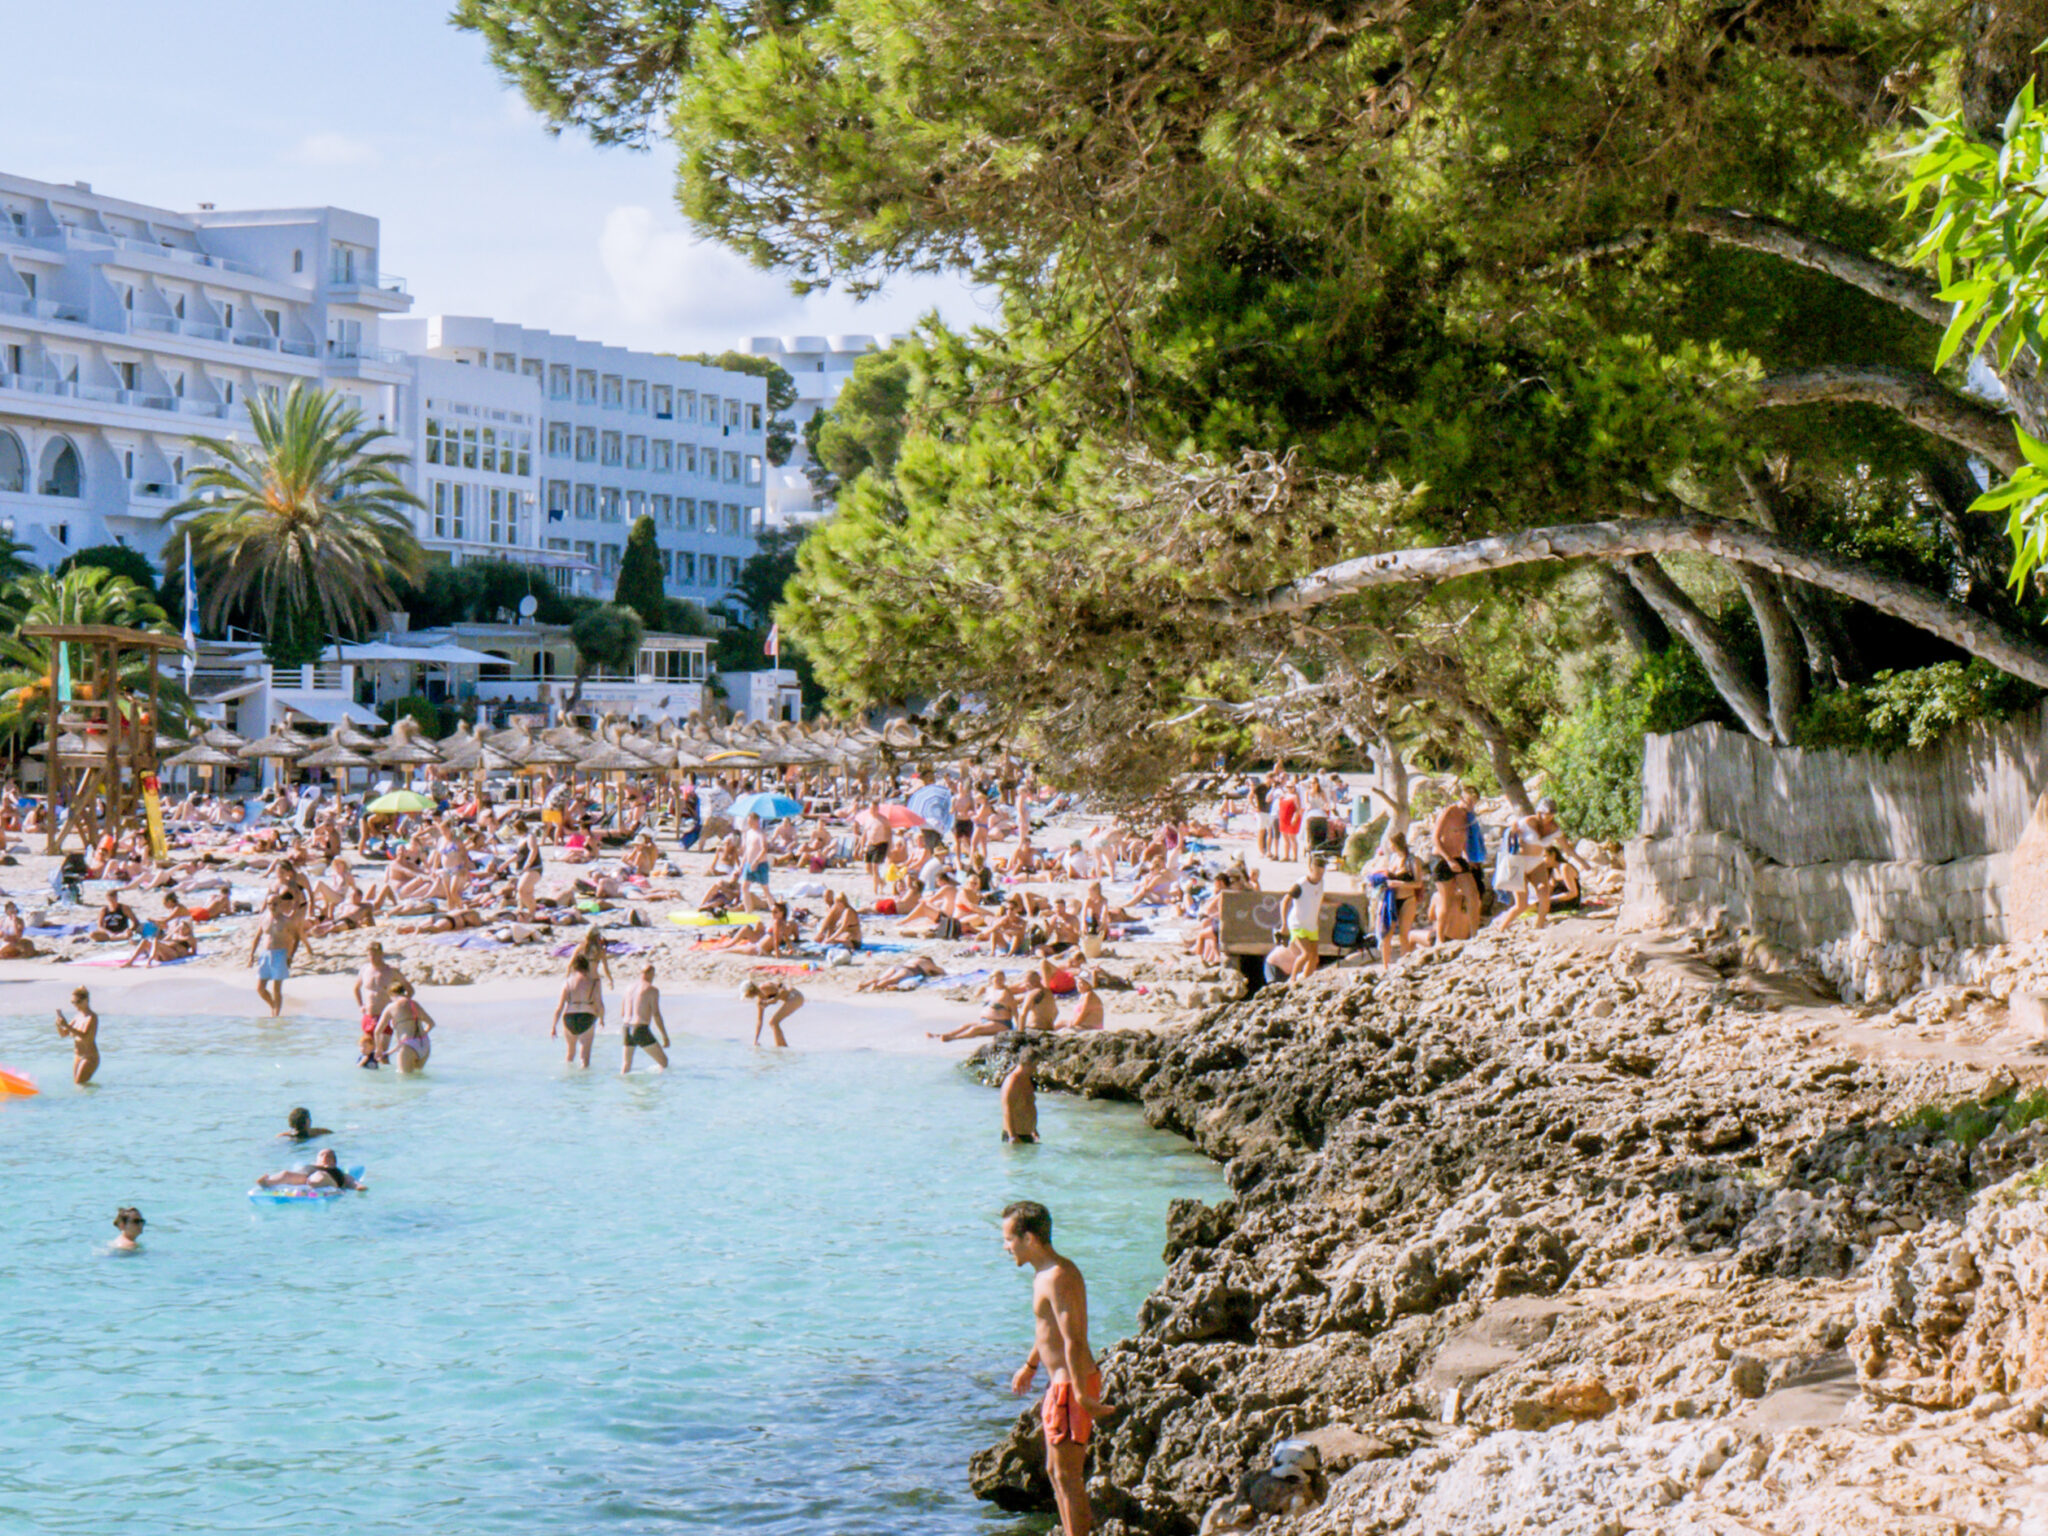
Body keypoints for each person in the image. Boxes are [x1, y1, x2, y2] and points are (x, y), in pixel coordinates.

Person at [1003, 1201, 1111, 1536]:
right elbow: (1046, 1327)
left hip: (1070, 1387)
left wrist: (1082, 1394)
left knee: (1068, 1477)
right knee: (1054, 1471)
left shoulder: (1060, 1276)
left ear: (1030, 1238)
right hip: (1060, 1387)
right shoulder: (1044, 1274)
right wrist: (1030, 1365)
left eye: (1009, 1238)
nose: (1006, 1247)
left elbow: (1074, 1339)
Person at [1430, 785, 1483, 942]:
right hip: (1441, 859)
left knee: (1473, 895)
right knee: (1446, 901)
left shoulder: (1468, 817)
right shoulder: (1449, 812)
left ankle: (1475, 934)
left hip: (1458, 858)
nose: (1471, 805)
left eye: (1474, 802)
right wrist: (1448, 859)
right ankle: (1440, 939)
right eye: (1469, 801)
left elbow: (1463, 840)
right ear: (1462, 799)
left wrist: (1468, 858)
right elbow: (1436, 838)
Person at [247, 894, 305, 1019]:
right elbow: (258, 937)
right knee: (260, 988)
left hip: (280, 954)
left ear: (280, 904)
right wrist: (251, 954)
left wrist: (290, 956)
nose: (272, 906)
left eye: (275, 904)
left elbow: (296, 938)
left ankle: (275, 1016)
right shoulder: (264, 918)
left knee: (276, 989)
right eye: (269, 904)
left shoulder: (286, 921)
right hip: (266, 954)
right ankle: (273, 1005)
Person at [354, 943, 404, 1068]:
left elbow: (409, 990)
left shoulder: (391, 972)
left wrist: (398, 1006)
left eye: (375, 955)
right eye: (370, 955)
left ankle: (388, 1080)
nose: (372, 958)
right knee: (367, 1054)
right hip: (369, 1016)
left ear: (381, 954)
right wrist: (361, 1005)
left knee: (382, 1055)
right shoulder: (365, 970)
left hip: (385, 1017)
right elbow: (356, 988)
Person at [553, 954, 604, 1067]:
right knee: (585, 1058)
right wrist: (601, 1019)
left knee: (570, 1054)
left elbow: (559, 1007)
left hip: (569, 1017)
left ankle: (568, 1081)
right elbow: (599, 1003)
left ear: (574, 967)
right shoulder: (594, 982)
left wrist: (554, 1026)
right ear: (587, 967)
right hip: (587, 1016)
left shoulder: (567, 982)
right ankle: (584, 1083)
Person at [620, 964, 671, 1073]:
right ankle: (659, 1087)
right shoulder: (652, 990)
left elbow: (622, 1012)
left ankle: (623, 1088)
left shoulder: (628, 988)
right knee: (664, 1062)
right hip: (640, 1028)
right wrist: (664, 1036)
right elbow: (656, 1014)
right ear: (651, 974)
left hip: (626, 1027)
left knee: (626, 1064)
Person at [1283, 855, 1327, 979]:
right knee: (1306, 954)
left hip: (1311, 925)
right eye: (1317, 872)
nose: (1319, 876)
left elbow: (1318, 898)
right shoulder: (1301, 884)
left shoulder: (1321, 883)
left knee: (1314, 958)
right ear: (1311, 869)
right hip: (1297, 924)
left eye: (1322, 873)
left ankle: (1305, 980)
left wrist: (1335, 903)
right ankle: (1292, 979)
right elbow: (1285, 901)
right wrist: (1284, 925)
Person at [379, 982, 434, 1073]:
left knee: (404, 1079)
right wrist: (423, 1033)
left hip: (408, 1045)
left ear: (392, 994)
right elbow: (431, 1023)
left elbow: (378, 1031)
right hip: (424, 1042)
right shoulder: (414, 1004)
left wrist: (378, 1049)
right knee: (417, 1077)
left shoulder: (392, 1006)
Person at [257, 1147, 362, 1190]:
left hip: (329, 1182)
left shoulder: (339, 1172)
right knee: (285, 1174)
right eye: (322, 1155)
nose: (325, 1157)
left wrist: (359, 1187)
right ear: (316, 1160)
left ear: (334, 1162)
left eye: (329, 1156)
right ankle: (266, 1182)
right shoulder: (310, 1167)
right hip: (305, 1179)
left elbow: (352, 1181)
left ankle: (312, 1183)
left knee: (320, 1175)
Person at [54, 987, 99, 1085]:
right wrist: (59, 1025)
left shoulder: (92, 1017)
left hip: (89, 1057)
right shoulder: (77, 1017)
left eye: (78, 1002)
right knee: (78, 1084)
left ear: (86, 1000)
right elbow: (63, 1034)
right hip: (78, 1055)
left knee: (80, 1083)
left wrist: (66, 1025)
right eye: (73, 1002)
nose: (75, 1005)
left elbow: (86, 1037)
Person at [743, 976, 803, 1047]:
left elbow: (783, 989)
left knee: (773, 1022)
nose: (748, 997)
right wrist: (756, 1040)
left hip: (795, 996)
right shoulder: (760, 1001)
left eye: (747, 995)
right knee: (773, 1023)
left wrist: (773, 1000)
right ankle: (782, 1049)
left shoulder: (766, 986)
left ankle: (781, 1048)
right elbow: (759, 1021)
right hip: (790, 1000)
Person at [1001, 1050, 1040, 1144]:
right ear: (1026, 1063)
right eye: (1034, 1065)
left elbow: (1028, 1105)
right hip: (1015, 1136)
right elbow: (1007, 1110)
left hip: (1028, 1135)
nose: (1036, 1069)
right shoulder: (1012, 1082)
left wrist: (1033, 1129)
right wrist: (1012, 1136)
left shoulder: (1027, 1079)